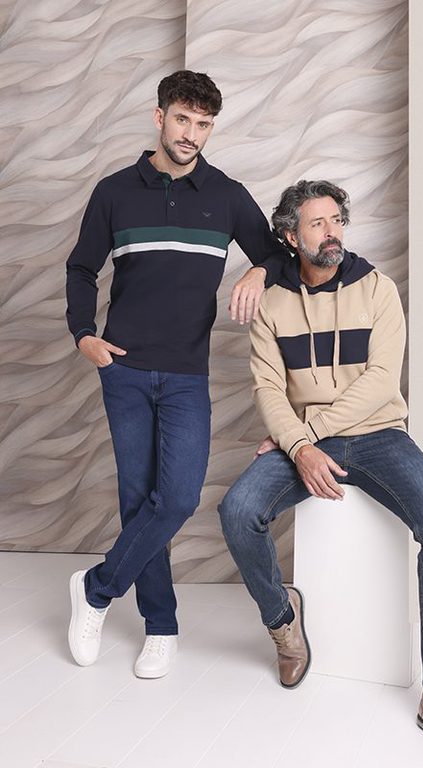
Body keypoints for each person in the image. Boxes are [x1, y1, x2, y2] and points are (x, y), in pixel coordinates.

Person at [218, 180, 423, 766]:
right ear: (290, 236)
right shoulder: (271, 304)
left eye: (336, 220)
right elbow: (267, 389)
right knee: (237, 511)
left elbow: (382, 381)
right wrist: (298, 444)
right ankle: (283, 621)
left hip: (379, 434)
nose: (332, 232)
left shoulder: (377, 288)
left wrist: (306, 435)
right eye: (317, 223)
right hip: (304, 441)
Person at [65, 70, 287, 679]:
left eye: (204, 124)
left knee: (179, 497)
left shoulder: (227, 195)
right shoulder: (114, 192)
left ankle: (96, 588)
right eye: (183, 119)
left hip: (188, 372)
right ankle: (160, 627)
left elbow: (276, 255)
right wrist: (83, 334)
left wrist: (257, 270)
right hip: (124, 368)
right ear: (159, 117)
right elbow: (81, 268)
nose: (191, 133)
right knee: (139, 498)